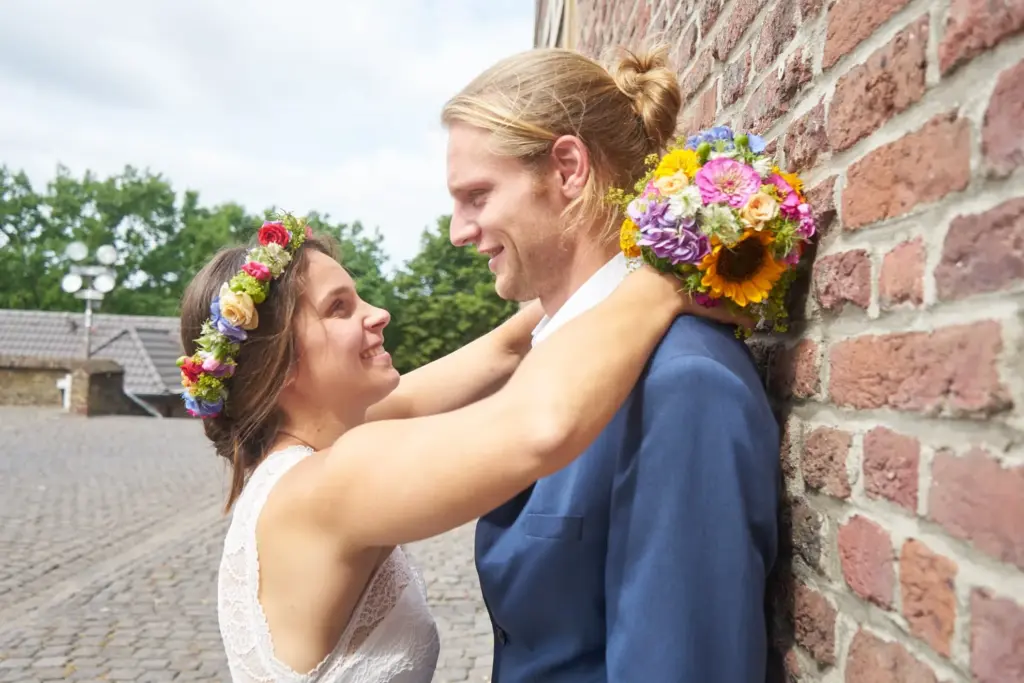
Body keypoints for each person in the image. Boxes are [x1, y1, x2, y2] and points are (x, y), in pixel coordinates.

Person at [179, 217, 734, 683]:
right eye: (340, 309)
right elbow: (540, 428)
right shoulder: (327, 483)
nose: (377, 313)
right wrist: (668, 282)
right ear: (281, 367)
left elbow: (506, 350)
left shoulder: (312, 444)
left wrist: (627, 252)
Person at [442, 45, 780, 681]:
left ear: (568, 168)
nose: (459, 229)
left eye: (477, 195)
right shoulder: (546, 355)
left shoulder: (684, 385)